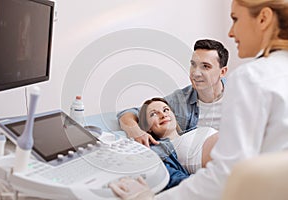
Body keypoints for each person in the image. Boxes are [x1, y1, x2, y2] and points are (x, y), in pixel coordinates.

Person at [109, 0, 288, 199]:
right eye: (193, 65)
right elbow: (134, 112)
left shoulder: (251, 79)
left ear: (263, 18)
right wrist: (135, 129)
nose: (230, 32)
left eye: (235, 19)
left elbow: (226, 176)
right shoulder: (180, 103)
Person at [117, 39, 229, 147]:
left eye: (205, 66)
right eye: (193, 65)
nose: (196, 73)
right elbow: (129, 114)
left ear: (222, 72)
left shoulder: (241, 92)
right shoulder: (180, 100)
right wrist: (137, 132)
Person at [138, 97, 218, 175]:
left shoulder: (193, 129)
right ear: (147, 127)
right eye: (153, 114)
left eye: (166, 110)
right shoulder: (159, 151)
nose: (163, 115)